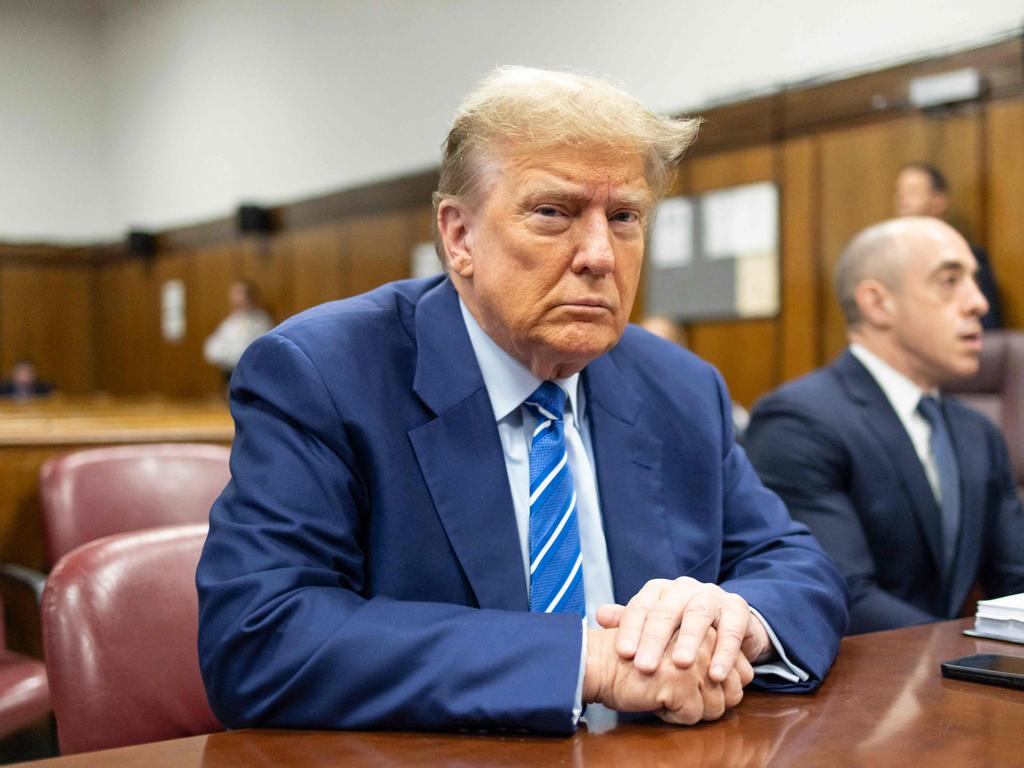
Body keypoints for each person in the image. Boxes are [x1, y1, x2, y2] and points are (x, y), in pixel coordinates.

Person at [197, 66, 847, 734]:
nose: (599, 254)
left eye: (624, 217)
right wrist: (583, 660)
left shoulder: (679, 386)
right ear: (459, 237)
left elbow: (797, 569)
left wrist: (731, 622)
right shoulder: (325, 375)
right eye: (553, 213)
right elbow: (261, 638)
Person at [746, 217, 1024, 635]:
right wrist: (968, 659)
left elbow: (1015, 579)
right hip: (856, 687)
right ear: (878, 304)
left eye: (974, 280)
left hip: (950, 680)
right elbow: (843, 595)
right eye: (950, 281)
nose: (978, 302)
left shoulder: (977, 432)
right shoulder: (798, 421)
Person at [893, 162, 1002, 328]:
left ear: (939, 202)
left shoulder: (968, 257)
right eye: (900, 193)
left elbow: (986, 322)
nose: (903, 201)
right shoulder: (891, 259)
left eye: (912, 192)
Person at [202, 280, 273, 384]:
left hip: (250, 376)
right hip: (229, 373)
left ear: (250, 297)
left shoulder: (260, 321)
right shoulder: (231, 321)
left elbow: (251, 352)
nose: (235, 299)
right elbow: (212, 348)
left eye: (239, 293)